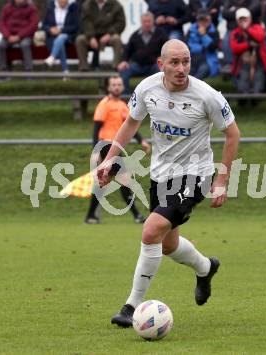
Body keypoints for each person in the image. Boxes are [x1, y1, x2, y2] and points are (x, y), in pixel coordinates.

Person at [96, 39, 240, 327]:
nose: (181, 68)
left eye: (186, 61)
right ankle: (205, 267)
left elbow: (233, 134)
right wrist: (109, 159)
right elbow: (130, 125)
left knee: (150, 232)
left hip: (194, 176)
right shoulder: (147, 88)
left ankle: (131, 307)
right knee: (167, 244)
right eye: (174, 62)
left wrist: (222, 180)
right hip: (161, 175)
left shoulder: (207, 96)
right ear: (161, 64)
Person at [86, 75, 151, 225]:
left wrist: (142, 141)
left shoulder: (122, 105)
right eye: (113, 84)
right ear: (108, 87)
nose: (116, 87)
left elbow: (129, 127)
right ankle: (137, 215)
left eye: (119, 84)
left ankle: (90, 216)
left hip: (115, 147)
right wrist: (96, 152)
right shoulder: (104, 104)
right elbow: (96, 130)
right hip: (105, 147)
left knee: (102, 183)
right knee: (124, 180)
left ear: (122, 87)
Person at [118, 12, 168, 94]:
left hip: (154, 65)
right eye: (145, 21)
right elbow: (127, 50)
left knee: (161, 72)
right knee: (124, 71)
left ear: (153, 22)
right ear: (141, 22)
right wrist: (124, 61)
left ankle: (159, 96)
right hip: (138, 65)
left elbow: (167, 48)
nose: (147, 24)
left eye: (149, 21)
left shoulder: (160, 33)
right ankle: (125, 99)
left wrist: (162, 57)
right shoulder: (135, 35)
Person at [230, 7, 266, 99]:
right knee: (243, 74)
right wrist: (248, 45)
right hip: (242, 62)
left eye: (245, 19)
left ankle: (256, 95)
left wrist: (247, 30)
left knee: (259, 74)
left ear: (250, 19)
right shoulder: (235, 33)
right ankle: (243, 95)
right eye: (241, 19)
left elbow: (260, 38)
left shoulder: (257, 28)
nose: (243, 21)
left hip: (259, 59)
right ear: (237, 21)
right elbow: (235, 49)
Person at [76, 0, 125, 71]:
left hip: (109, 35)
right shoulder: (87, 5)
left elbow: (121, 23)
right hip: (92, 35)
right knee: (80, 39)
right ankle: (84, 67)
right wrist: (91, 37)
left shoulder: (115, 5)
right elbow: (85, 22)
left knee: (116, 39)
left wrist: (109, 34)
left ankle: (116, 66)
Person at [0, 0, 39, 71]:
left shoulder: (31, 9)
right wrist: (8, 35)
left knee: (25, 45)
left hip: (25, 36)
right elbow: (1, 23)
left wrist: (19, 36)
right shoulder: (6, 8)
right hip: (8, 36)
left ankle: (29, 71)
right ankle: (3, 71)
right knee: (0, 45)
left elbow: (33, 25)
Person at [43, 0, 79, 74]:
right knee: (60, 43)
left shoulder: (73, 8)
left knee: (61, 37)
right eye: (61, 1)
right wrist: (50, 29)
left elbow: (75, 26)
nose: (62, 2)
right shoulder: (50, 8)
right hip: (52, 36)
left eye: (64, 1)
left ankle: (52, 57)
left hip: (68, 35)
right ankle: (65, 71)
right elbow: (44, 25)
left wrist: (61, 30)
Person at [222, 0, 261, 66]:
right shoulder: (229, 1)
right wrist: (241, 12)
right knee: (226, 41)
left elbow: (254, 10)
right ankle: (230, 64)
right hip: (232, 29)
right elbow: (225, 13)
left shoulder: (254, 1)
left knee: (257, 41)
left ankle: (259, 66)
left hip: (250, 28)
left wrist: (235, 11)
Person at [186, 9, 220, 80]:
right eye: (201, 20)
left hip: (208, 61)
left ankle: (193, 86)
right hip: (192, 60)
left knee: (203, 70)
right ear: (197, 20)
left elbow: (212, 47)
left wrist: (204, 36)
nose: (203, 22)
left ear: (210, 20)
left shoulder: (214, 32)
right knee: (187, 71)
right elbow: (186, 46)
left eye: (206, 20)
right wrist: (202, 48)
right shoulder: (191, 30)